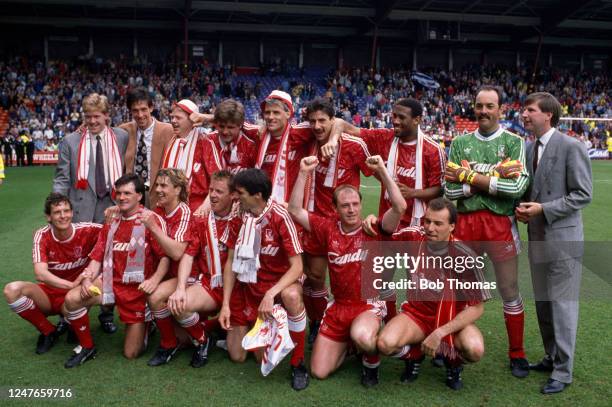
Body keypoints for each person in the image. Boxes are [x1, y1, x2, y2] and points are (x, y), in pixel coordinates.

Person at [288, 155, 406, 387]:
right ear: (335, 208)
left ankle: (370, 364)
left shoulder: (374, 228)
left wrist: (382, 170)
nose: (351, 210)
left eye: (355, 204)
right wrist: (302, 173)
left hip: (367, 304)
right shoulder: (327, 228)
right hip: (339, 306)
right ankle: (351, 345)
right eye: (345, 205)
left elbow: (400, 206)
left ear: (361, 205)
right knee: (319, 371)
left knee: (363, 335)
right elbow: (294, 210)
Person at [444, 85, 530, 378]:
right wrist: (494, 174)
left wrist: (468, 177)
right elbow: (449, 188)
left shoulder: (514, 142)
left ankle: (517, 353)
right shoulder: (459, 143)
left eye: (489, 106)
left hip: (500, 225)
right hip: (465, 224)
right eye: (479, 105)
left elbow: (516, 188)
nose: (483, 111)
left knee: (508, 289)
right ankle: (451, 349)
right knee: (459, 291)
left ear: (500, 110)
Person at [516, 92, 592, 394]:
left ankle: (563, 370)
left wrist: (543, 210)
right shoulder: (529, 147)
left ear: (548, 114)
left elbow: (583, 194)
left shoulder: (571, 146)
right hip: (538, 238)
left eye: (530, 110)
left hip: (563, 240)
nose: (524, 114)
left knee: (562, 306)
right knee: (545, 304)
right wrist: (524, 208)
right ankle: (551, 356)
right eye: (524, 109)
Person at [375, 197, 491, 390]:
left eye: (438, 223)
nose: (430, 228)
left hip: (451, 319)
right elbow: (384, 233)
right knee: (385, 344)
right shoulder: (413, 237)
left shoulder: (465, 256)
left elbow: (477, 308)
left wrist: (440, 332)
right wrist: (372, 221)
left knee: (475, 349)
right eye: (427, 221)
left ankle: (452, 363)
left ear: (452, 226)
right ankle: (415, 355)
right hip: (417, 315)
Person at [61, 174, 168, 368]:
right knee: (72, 298)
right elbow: (97, 256)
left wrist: (155, 280)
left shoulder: (150, 220)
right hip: (110, 284)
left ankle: (147, 323)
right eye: (118, 193)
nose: (121, 197)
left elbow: (165, 257)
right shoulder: (111, 220)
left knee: (131, 353)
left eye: (127, 193)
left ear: (139, 196)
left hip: (138, 292)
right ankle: (87, 346)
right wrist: (87, 278)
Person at [218, 168, 309, 391]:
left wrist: (271, 293)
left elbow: (297, 267)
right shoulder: (237, 215)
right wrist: (226, 304)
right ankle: (254, 328)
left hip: (277, 288)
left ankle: (298, 363)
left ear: (257, 195)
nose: (235, 197)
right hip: (249, 288)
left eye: (240, 192)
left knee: (292, 294)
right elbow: (230, 261)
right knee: (237, 356)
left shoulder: (280, 216)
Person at [52, 93, 128, 334]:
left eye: (97, 116)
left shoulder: (122, 137)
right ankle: (69, 311)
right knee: (76, 263)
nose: (92, 121)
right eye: (88, 117)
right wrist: (57, 208)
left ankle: (106, 312)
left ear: (107, 116)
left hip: (113, 208)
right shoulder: (70, 142)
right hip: (81, 209)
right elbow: (62, 179)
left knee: (111, 262)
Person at [299, 97, 374, 344]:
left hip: (346, 224)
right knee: (315, 275)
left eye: (323, 120)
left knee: (350, 282)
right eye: (313, 121)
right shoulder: (308, 142)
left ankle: (362, 323)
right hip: (317, 221)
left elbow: (374, 174)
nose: (317, 126)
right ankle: (317, 322)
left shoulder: (353, 146)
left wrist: (374, 214)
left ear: (332, 120)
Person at [3, 193, 101, 354]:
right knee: (11, 290)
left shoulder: (88, 230)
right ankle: (48, 331)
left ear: (72, 212)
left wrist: (114, 211)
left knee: (73, 329)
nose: (63, 216)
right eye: (57, 212)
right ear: (48, 217)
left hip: (75, 295)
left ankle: (70, 321)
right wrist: (71, 284)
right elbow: (40, 274)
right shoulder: (42, 235)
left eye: (67, 211)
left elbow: (111, 231)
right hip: (49, 294)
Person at [167, 170, 242, 367]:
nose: (213, 196)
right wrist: (181, 288)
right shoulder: (201, 220)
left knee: (238, 355)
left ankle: (215, 325)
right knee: (178, 304)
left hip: (240, 290)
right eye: (211, 190)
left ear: (233, 195)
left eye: (219, 191)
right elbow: (188, 256)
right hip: (211, 284)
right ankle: (203, 339)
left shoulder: (244, 220)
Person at [142, 168, 194, 367]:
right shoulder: (160, 211)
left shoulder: (184, 212)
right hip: (171, 275)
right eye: (157, 185)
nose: (158, 190)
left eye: (164, 185)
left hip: (190, 276)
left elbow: (177, 253)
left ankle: (190, 340)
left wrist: (153, 228)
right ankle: (174, 338)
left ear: (178, 189)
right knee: (180, 331)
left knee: (155, 297)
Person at [161, 99, 220, 213]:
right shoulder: (172, 140)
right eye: (172, 117)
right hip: (170, 207)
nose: (173, 121)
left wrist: (207, 204)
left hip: (196, 208)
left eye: (178, 118)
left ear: (193, 120)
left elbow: (217, 177)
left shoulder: (204, 141)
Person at [120, 87, 173, 208]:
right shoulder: (123, 131)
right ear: (130, 111)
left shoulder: (168, 130)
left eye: (144, 109)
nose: (140, 115)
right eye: (135, 111)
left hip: (157, 193)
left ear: (151, 108)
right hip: (131, 194)